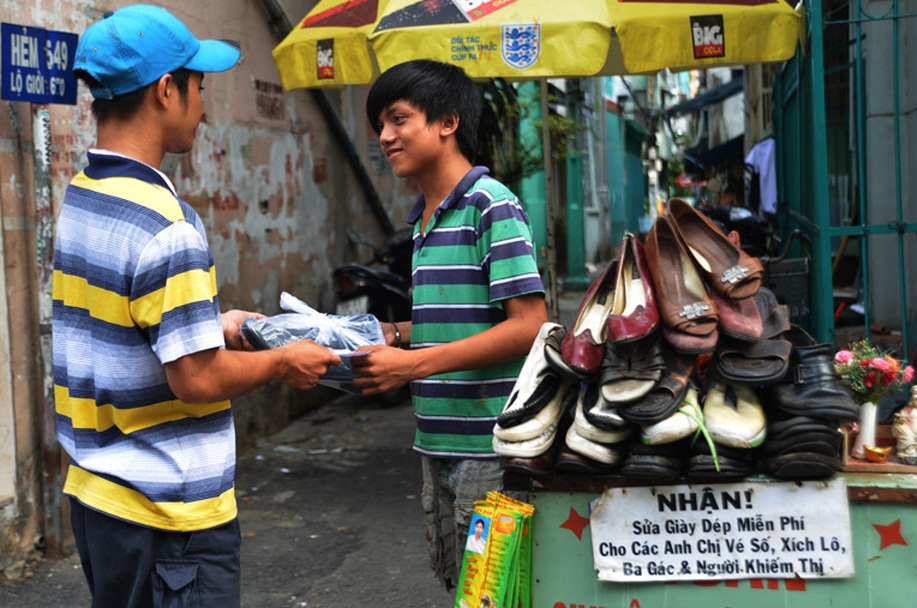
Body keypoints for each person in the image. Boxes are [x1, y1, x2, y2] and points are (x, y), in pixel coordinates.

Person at [54, 6, 340, 607]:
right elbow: (196, 376)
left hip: (99, 503)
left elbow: (129, 326)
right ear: (166, 90)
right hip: (167, 521)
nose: (204, 105)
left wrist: (213, 325)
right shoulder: (167, 223)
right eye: (199, 86)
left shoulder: (84, 196)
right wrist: (285, 362)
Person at [350, 59, 548, 590]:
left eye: (398, 120)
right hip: (436, 445)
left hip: (489, 449)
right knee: (459, 587)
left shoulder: (491, 206)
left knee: (489, 596)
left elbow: (529, 325)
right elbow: (464, 317)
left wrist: (410, 365)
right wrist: (394, 335)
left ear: (447, 122)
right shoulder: (424, 219)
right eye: (380, 125)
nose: (385, 137)